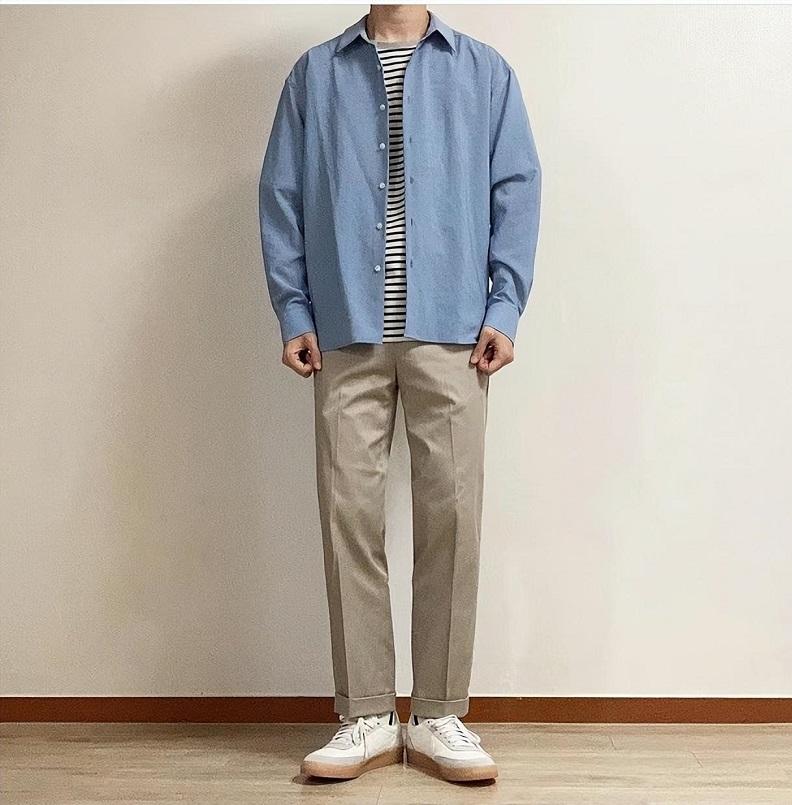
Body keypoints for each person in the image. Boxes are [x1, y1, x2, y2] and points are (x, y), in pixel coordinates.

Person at [259, 4, 541, 783]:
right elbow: (281, 196)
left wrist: (505, 306)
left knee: (452, 513)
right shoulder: (315, 75)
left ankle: (439, 713)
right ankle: (368, 715)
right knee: (348, 512)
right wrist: (294, 310)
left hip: (454, 329)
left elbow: (517, 189)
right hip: (345, 327)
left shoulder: (484, 72)